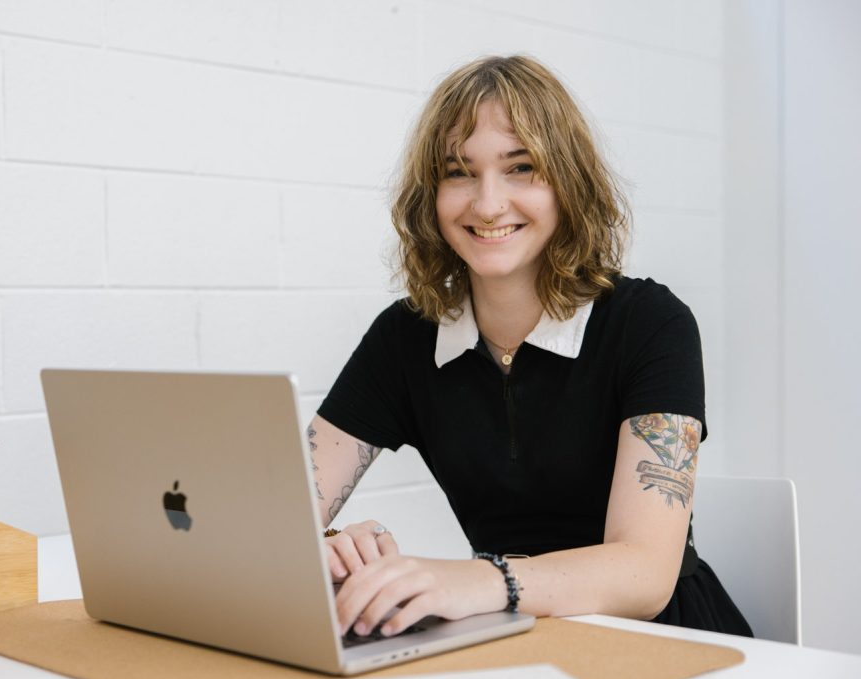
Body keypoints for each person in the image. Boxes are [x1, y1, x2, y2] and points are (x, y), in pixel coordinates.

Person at [307, 55, 752, 640]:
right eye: (458, 172)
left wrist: (472, 581)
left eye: (521, 168)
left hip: (665, 640)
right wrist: (333, 549)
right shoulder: (405, 335)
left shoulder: (650, 323)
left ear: (568, 183)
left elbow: (645, 573)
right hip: (507, 636)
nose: (487, 204)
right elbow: (277, 521)